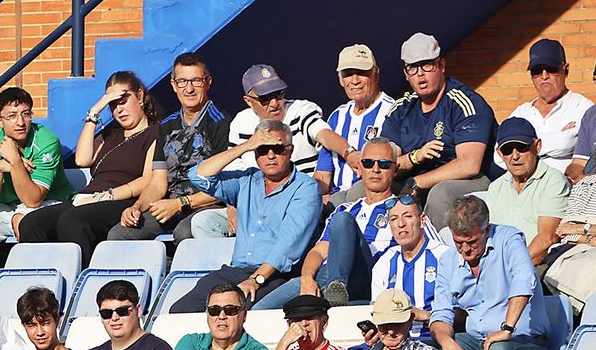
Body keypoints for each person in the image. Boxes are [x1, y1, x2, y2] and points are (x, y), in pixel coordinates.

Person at [169, 121, 321, 312]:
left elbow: (288, 247)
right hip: (235, 272)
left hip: (275, 275)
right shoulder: (247, 180)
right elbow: (198, 176)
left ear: (290, 150)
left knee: (237, 314)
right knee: (179, 311)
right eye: (262, 149)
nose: (270, 155)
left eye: (278, 149)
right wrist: (246, 146)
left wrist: (256, 279)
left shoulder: (305, 188)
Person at [18, 72, 158, 255]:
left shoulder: (156, 132)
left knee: (72, 221)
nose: (119, 110)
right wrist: (94, 112)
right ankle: (41, 273)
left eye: (123, 101)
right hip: (87, 199)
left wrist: (104, 196)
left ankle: (83, 272)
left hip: (122, 201)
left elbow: (148, 180)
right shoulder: (110, 134)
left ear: (139, 96)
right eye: (112, 104)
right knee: (32, 223)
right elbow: (82, 159)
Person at [379, 32, 498, 227]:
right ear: (406, 74)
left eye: (427, 65)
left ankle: (436, 246)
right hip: (413, 180)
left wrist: (418, 182)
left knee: (440, 194)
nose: (420, 74)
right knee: (363, 189)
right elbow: (383, 163)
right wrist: (414, 157)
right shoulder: (401, 109)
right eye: (412, 68)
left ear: (441, 65)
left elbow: (469, 164)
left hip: (471, 180)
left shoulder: (464, 102)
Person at [430, 195, 554, 350]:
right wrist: (447, 343)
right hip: (478, 343)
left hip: (527, 342)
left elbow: (524, 280)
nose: (465, 249)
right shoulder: (447, 261)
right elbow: (441, 313)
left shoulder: (509, 239)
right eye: (458, 243)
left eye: (472, 242)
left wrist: (507, 329)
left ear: (486, 229)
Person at [109, 52, 227, 241]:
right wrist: (136, 207)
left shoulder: (221, 122)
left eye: (196, 81)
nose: (189, 89)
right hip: (169, 206)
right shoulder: (166, 126)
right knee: (119, 234)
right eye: (182, 82)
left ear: (208, 82)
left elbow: (224, 186)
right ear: (173, 85)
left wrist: (180, 203)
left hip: (205, 206)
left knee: (184, 232)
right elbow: (158, 183)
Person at [296, 137, 416, 304]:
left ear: (395, 170)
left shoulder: (403, 210)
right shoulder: (345, 208)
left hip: (366, 276)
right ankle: (330, 290)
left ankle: (335, 290)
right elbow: (318, 252)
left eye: (384, 164)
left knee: (343, 220)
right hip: (322, 275)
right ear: (360, 167)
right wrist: (307, 278)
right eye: (368, 163)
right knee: (263, 307)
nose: (375, 169)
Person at [0, 86, 72, 246]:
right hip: (5, 206)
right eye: (11, 116)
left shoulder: (46, 141)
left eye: (26, 114)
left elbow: (33, 200)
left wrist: (15, 161)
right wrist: (0, 167)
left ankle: (30, 263)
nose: (20, 122)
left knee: (24, 221)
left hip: (49, 203)